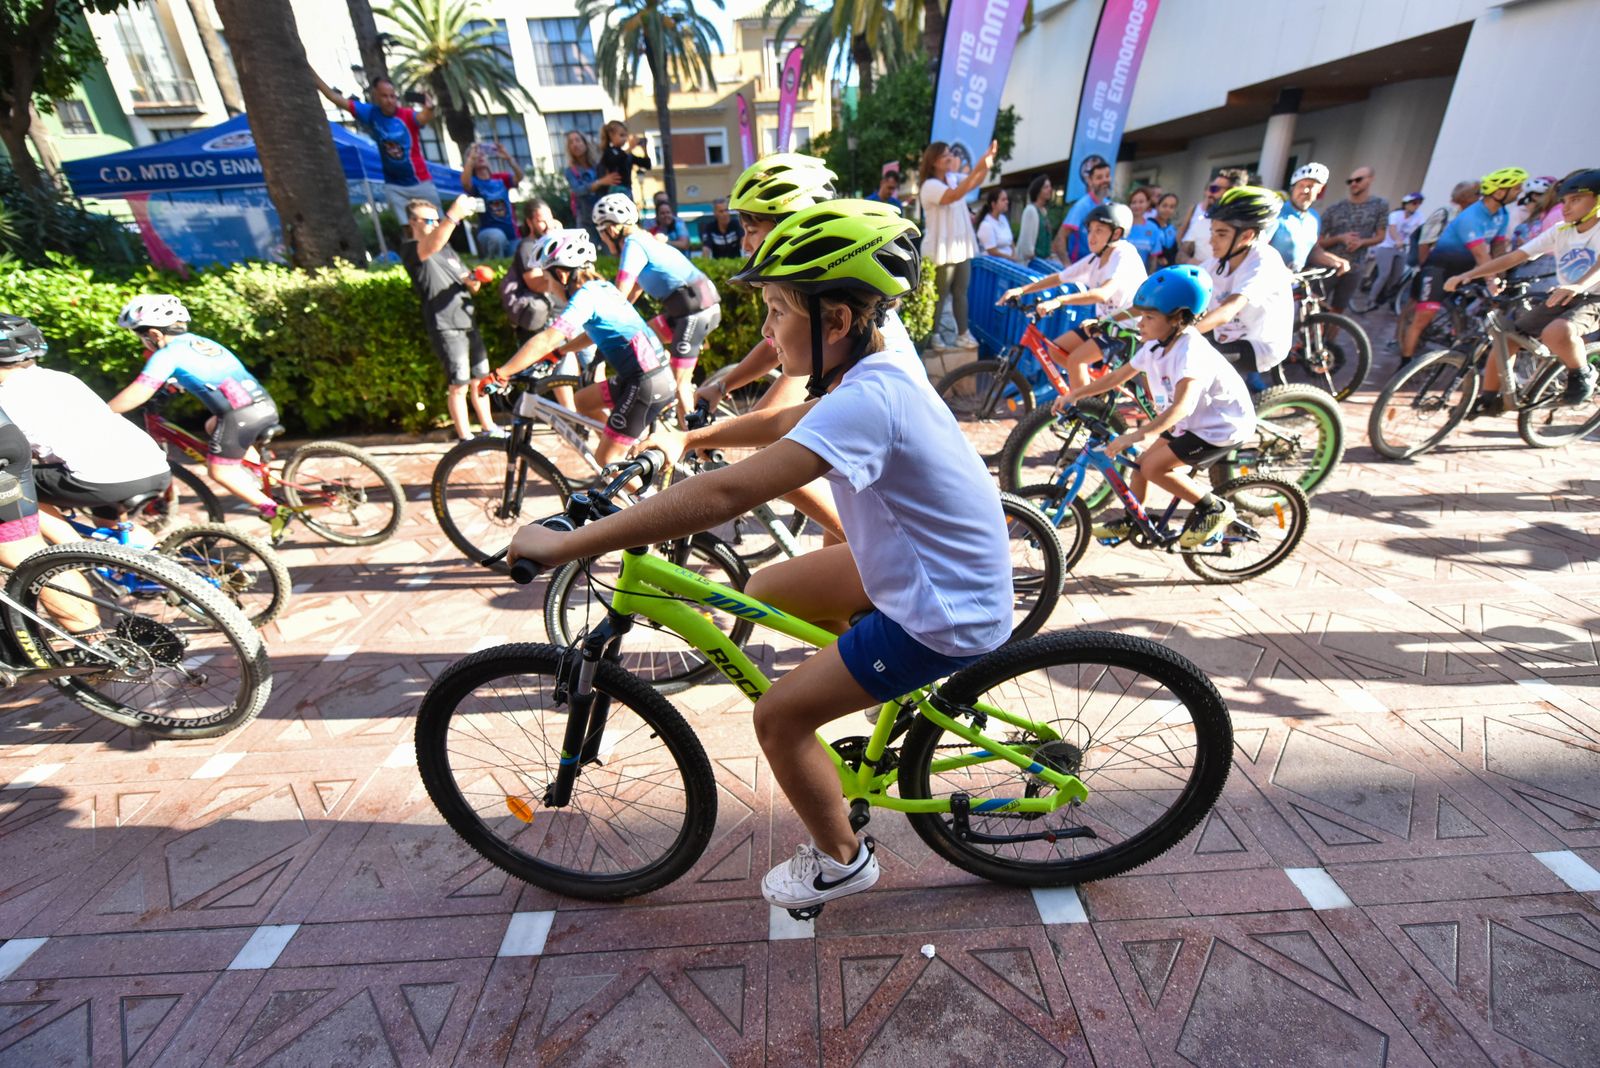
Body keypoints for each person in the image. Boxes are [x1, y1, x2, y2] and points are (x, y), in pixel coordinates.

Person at [510, 201, 1013, 914]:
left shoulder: (868, 400)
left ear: (835, 321)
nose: (767, 330)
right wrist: (692, 441)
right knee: (769, 585)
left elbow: (726, 498)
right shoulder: (875, 366)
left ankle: (843, 860)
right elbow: (786, 419)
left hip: (940, 610)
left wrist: (564, 544)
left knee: (778, 718)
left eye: (777, 310)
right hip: (929, 565)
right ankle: (884, 692)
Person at [1053, 266, 1254, 547]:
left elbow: (1182, 406)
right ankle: (1132, 520)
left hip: (1219, 427)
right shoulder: (1156, 345)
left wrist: (1137, 435)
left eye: (1148, 317)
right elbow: (1116, 377)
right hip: (1191, 422)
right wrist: (1077, 394)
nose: (1140, 324)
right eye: (1141, 316)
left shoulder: (1190, 353)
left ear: (1178, 319)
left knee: (1153, 469)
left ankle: (1214, 508)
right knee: (1140, 465)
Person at [478, 230, 675, 466]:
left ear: (561, 274)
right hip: (646, 377)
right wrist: (559, 353)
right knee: (583, 401)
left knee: (606, 460)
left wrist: (502, 373)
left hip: (646, 383)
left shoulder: (585, 297)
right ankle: (625, 446)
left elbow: (548, 337)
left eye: (549, 281)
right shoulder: (601, 288)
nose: (549, 289)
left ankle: (653, 498)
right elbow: (590, 335)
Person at [105, 296, 296, 535]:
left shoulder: (167, 354)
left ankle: (274, 512)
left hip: (240, 416)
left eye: (141, 337)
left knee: (219, 471)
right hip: (263, 405)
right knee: (212, 425)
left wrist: (102, 412)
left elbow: (138, 393)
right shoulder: (202, 343)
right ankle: (260, 477)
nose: (143, 344)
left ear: (154, 334)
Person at [0, 316, 170, 545]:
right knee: (115, 527)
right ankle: (162, 569)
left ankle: (71, 552)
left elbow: (14, 452)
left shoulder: (7, 396)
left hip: (101, 479)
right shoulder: (61, 378)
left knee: (13, 489)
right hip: (153, 466)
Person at [1444, 167, 1600, 410]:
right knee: (1507, 338)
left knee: (1557, 332)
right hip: (1563, 295)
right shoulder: (1561, 230)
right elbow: (1516, 256)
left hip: (1594, 298)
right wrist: (1469, 274)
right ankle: (1490, 399)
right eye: (1564, 201)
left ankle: (1582, 373)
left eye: (1576, 200)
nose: (1566, 207)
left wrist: (1578, 286)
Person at [0, 320, 98, 634]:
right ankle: (92, 637)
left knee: (22, 556)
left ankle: (92, 641)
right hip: (9, 442)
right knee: (32, 552)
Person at [593, 193, 721, 419]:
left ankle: (697, 445)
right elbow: (631, 295)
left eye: (601, 233)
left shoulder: (633, 245)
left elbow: (620, 292)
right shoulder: (645, 240)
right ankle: (669, 401)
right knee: (645, 338)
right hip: (690, 308)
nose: (602, 239)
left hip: (694, 312)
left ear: (611, 230)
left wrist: (600, 324)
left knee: (678, 382)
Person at [996, 202, 1147, 389]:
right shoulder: (1096, 258)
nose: (1091, 237)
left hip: (1126, 329)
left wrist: (1059, 301)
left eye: (1099, 230)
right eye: (1090, 230)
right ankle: (1092, 393)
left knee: (1076, 360)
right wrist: (1022, 290)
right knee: (1057, 350)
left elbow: (1102, 293)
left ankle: (1085, 410)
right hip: (1106, 325)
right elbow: (1059, 278)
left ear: (1116, 233)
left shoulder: (1123, 255)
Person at [1399, 167, 1528, 365]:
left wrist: (1501, 277)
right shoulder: (1471, 216)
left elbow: (1498, 247)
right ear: (1500, 192)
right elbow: (1481, 253)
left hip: (1467, 269)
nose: (1520, 192)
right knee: (1423, 316)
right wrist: (1491, 280)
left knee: (1494, 305)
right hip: (1440, 268)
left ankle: (1468, 346)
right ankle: (1404, 362)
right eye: (1516, 188)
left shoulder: (1502, 213)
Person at [399, 195, 502, 441]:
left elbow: (469, 282)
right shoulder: (412, 250)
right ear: (413, 222)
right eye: (429, 220)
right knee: (459, 384)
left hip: (468, 322)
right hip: (445, 326)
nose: (435, 224)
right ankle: (466, 437)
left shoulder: (446, 250)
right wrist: (453, 215)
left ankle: (489, 427)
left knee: (481, 380)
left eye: (437, 220)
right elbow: (430, 246)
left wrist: (476, 277)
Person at [1193, 186, 1294, 393]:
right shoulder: (1218, 261)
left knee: (1193, 370)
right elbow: (1181, 282)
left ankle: (1229, 424)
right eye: (1212, 231)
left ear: (1247, 235)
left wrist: (1180, 332)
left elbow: (1229, 310)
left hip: (1258, 345)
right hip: (1227, 334)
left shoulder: (1264, 261)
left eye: (1221, 234)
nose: (1211, 240)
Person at [311, 73, 437, 219]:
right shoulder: (371, 113)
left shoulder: (407, 115)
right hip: (395, 186)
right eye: (384, 96)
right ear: (376, 96)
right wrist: (307, 68)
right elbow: (334, 97)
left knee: (437, 227)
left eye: (392, 96)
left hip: (420, 182)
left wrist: (430, 108)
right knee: (409, 232)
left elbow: (423, 117)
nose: (390, 101)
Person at [919, 139, 995, 351]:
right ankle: (934, 336)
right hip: (941, 250)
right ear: (934, 161)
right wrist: (979, 165)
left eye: (951, 153)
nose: (950, 157)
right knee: (940, 296)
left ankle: (963, 334)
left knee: (961, 291)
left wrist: (986, 164)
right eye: (945, 154)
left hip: (960, 247)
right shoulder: (930, 186)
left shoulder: (953, 178)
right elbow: (954, 195)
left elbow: (974, 182)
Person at [1316, 165, 1390, 313]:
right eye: (1350, 181)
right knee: (1317, 305)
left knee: (1339, 307)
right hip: (1328, 266)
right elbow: (1318, 241)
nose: (1353, 184)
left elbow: (1381, 236)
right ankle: (1315, 335)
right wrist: (1339, 238)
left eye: (1358, 179)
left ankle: (1330, 337)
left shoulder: (1380, 205)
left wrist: (1362, 242)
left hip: (1355, 266)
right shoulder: (1334, 208)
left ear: (1370, 180)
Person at [1268, 163, 1349, 274]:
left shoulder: (1314, 218)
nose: (1305, 190)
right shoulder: (1276, 211)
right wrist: (1280, 270)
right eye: (1300, 185)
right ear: (1293, 188)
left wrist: (1335, 261)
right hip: (1266, 279)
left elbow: (1312, 251)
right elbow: (1258, 248)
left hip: (1293, 282)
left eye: (1310, 186)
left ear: (1320, 190)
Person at [461, 142, 524, 258]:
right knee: (497, 237)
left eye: (482, 154)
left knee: (522, 253)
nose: (480, 156)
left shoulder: (501, 178)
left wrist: (508, 158)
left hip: (512, 235)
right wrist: (470, 160)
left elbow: (519, 177)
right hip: (488, 232)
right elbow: (465, 183)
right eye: (476, 154)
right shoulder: (474, 182)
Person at [1179, 169, 1248, 263]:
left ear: (1231, 192)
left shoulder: (1245, 227)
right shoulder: (1201, 220)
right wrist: (1191, 262)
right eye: (1210, 188)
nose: (1209, 193)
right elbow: (1182, 252)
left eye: (1215, 189)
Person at [1053, 156, 1111, 264]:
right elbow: (1059, 239)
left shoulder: (1109, 206)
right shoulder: (1082, 206)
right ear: (1090, 181)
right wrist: (1068, 268)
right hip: (1081, 270)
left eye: (1107, 176)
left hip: (1099, 270)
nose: (1104, 180)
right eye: (1099, 177)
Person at [1367, 191, 1425, 297]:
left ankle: (1383, 296)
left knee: (1396, 276)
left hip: (1402, 249)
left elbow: (1422, 230)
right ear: (1406, 203)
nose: (1416, 206)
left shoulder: (1419, 217)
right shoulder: (1395, 215)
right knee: (1384, 274)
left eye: (1419, 203)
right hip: (1387, 246)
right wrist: (1398, 240)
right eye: (1414, 203)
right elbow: (1392, 229)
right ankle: (1371, 299)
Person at [563, 130, 614, 241]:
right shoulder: (570, 171)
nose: (575, 144)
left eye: (577, 140)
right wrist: (600, 182)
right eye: (571, 142)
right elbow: (577, 190)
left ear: (585, 143)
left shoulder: (598, 165)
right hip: (586, 220)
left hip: (605, 216)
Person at [598, 120, 651, 201]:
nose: (625, 139)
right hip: (616, 189)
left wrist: (645, 149)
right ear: (611, 135)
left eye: (626, 135)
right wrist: (630, 148)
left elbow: (647, 165)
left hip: (627, 189)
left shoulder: (627, 154)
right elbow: (615, 161)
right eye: (622, 135)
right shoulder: (608, 151)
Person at [1014, 175, 1053, 265]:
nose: (1049, 189)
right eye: (1046, 187)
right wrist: (1033, 255)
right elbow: (1026, 243)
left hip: (1042, 262)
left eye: (1050, 187)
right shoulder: (1031, 210)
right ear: (1038, 190)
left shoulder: (1044, 212)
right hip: (1031, 264)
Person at [1126, 187, 1166, 269]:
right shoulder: (1122, 226)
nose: (1137, 205)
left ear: (1148, 203)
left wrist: (1150, 278)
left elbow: (1153, 258)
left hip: (1141, 279)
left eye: (1141, 202)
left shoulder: (1153, 228)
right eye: (1133, 202)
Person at [976, 188, 1014, 258]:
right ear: (993, 204)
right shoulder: (986, 225)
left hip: (1010, 261)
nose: (1007, 202)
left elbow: (1011, 241)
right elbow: (992, 251)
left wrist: (1014, 254)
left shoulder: (1003, 218)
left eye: (1007, 199)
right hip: (996, 263)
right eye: (1003, 200)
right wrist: (1010, 258)